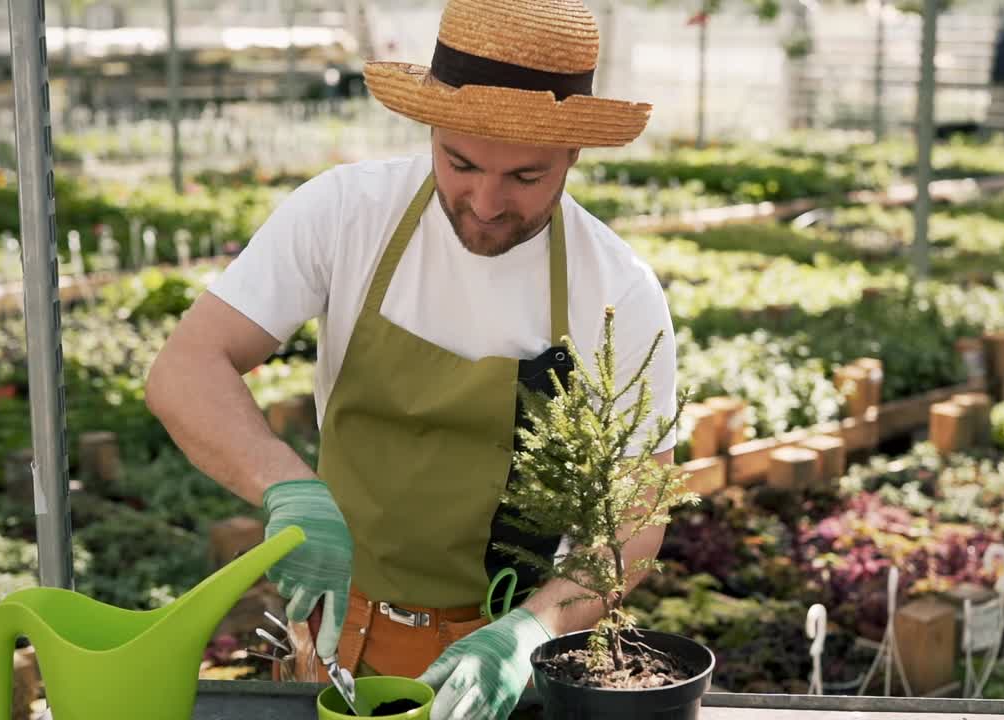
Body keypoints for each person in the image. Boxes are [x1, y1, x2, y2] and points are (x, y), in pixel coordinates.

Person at [143, 0, 678, 717]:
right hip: (335, 641)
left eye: (526, 176)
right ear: (429, 128)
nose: (486, 202)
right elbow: (186, 367)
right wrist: (287, 490)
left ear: (575, 155)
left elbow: (638, 511)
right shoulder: (344, 215)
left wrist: (532, 630)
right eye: (460, 162)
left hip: (503, 662)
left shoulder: (617, 291)